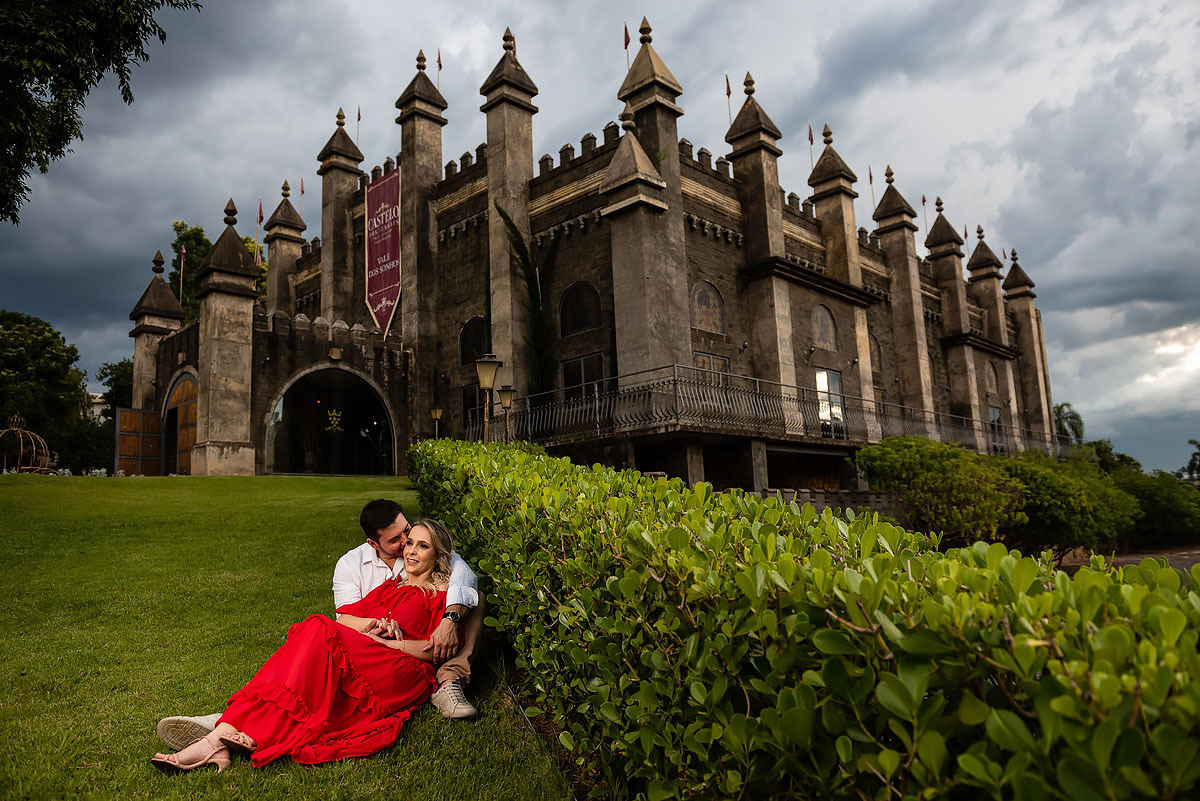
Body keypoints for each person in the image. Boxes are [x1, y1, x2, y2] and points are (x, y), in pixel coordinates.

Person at [155, 500, 484, 751]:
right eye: (404, 542)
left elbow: (436, 645)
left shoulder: (446, 592)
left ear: (437, 553)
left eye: (418, 543)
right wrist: (374, 625)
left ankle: (232, 719)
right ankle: (230, 730)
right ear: (374, 543)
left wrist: (390, 642)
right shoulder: (382, 582)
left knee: (318, 631)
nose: (407, 548)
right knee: (316, 630)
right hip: (372, 654)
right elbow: (345, 619)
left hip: (403, 667)